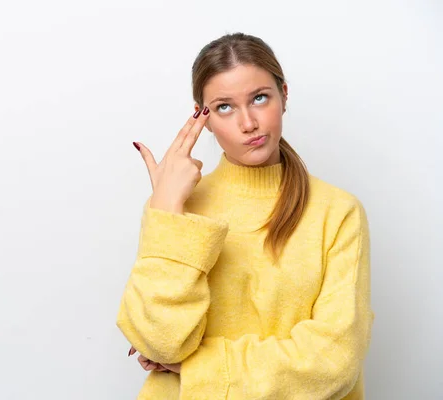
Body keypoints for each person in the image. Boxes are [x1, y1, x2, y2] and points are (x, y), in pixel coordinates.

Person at [116, 32, 374, 399]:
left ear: (284, 95)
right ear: (202, 117)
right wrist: (168, 209)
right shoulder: (172, 206)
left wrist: (196, 367)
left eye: (259, 98)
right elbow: (161, 344)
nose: (248, 122)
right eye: (224, 107)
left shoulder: (337, 212)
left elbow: (334, 362)